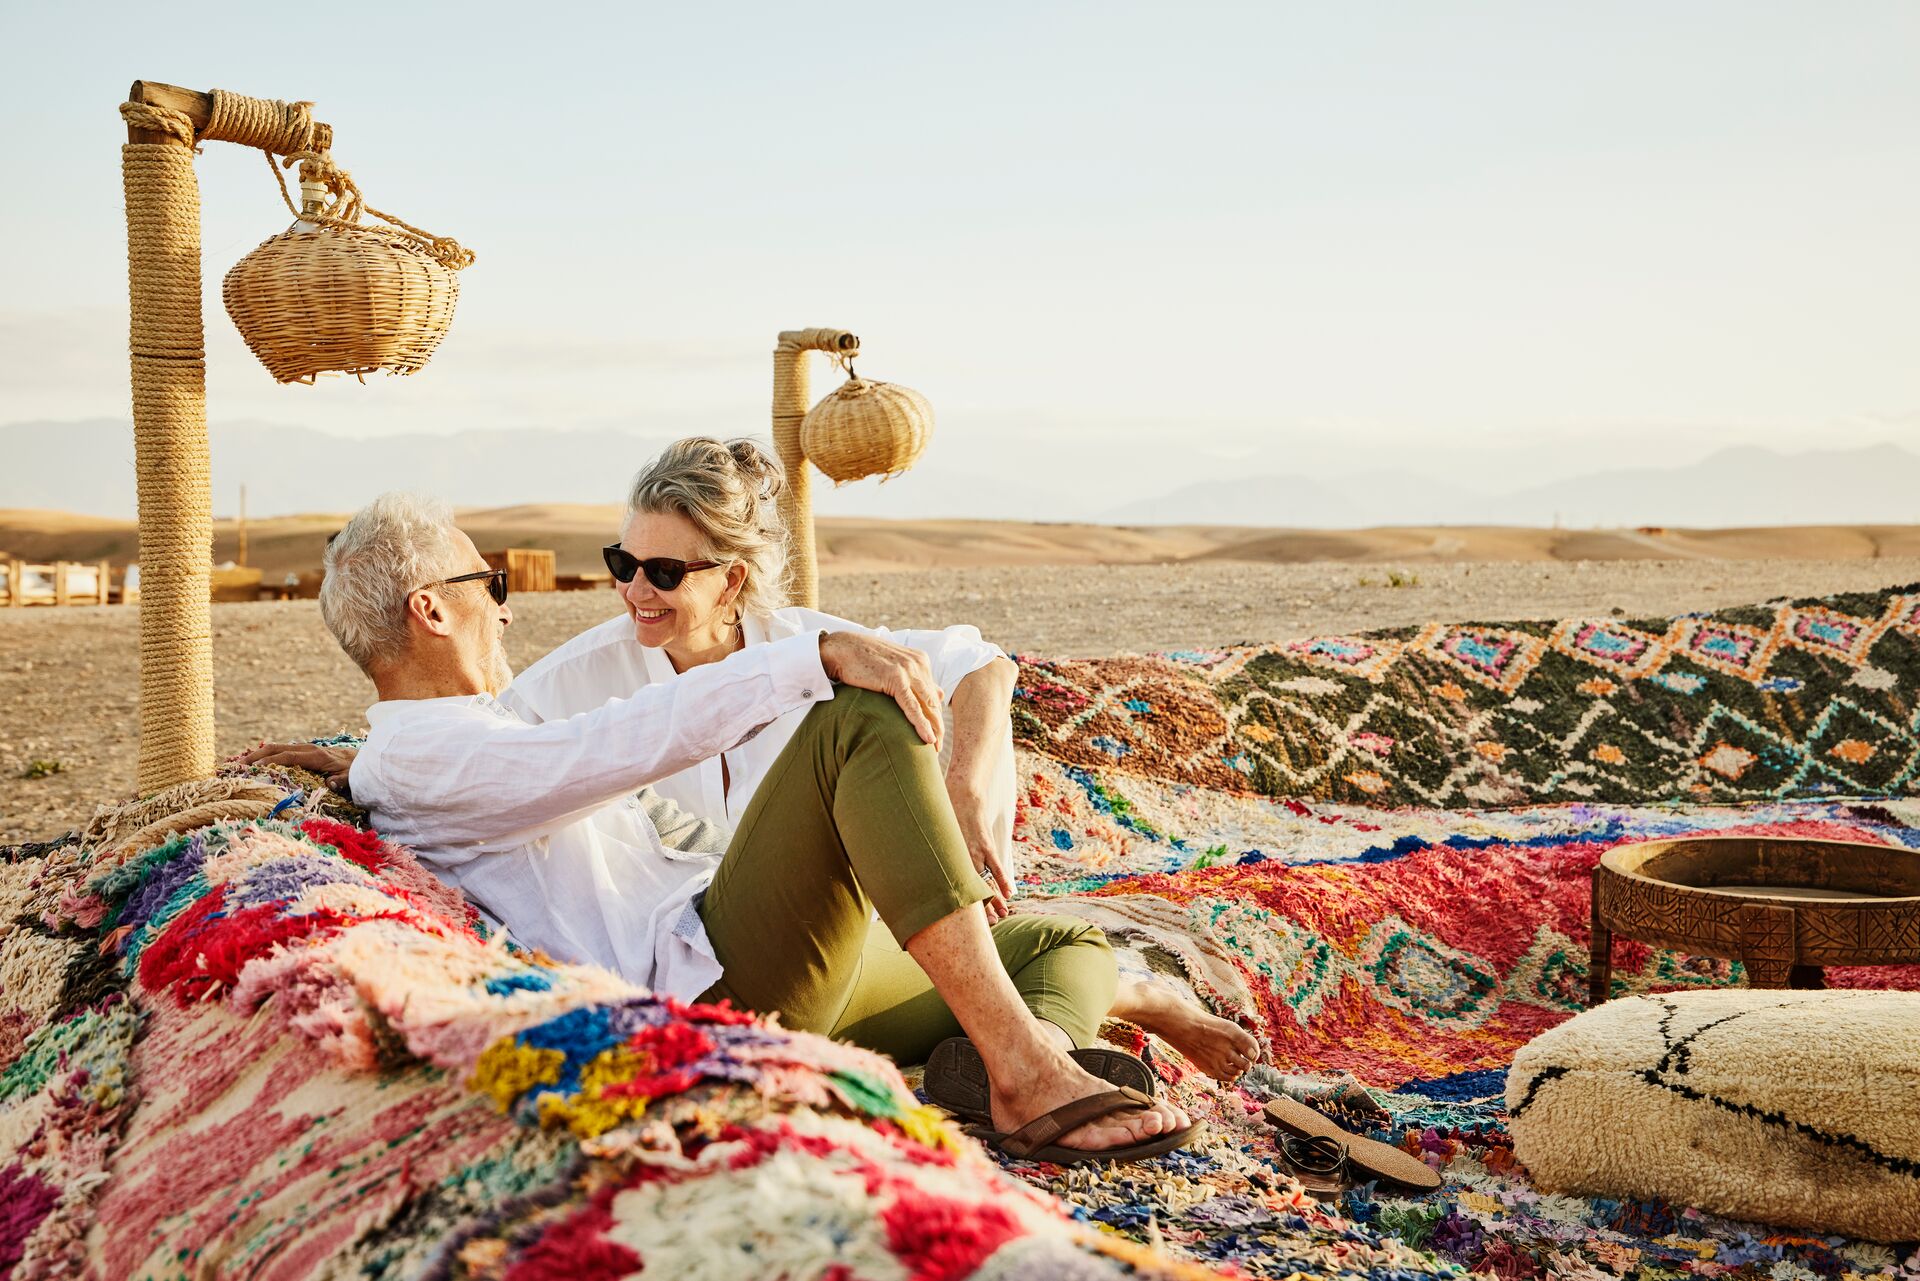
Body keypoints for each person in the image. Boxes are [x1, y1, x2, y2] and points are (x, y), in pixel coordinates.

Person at [297, 491, 1198, 1162]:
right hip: (711, 983)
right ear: (431, 608)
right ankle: (1024, 1067)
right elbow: (608, 742)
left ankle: (999, 1052)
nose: (504, 605)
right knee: (855, 714)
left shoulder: (452, 742)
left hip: (757, 962)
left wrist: (346, 759)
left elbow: (522, 761)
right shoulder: (428, 757)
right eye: (488, 583)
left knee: (1060, 937)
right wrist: (810, 659)